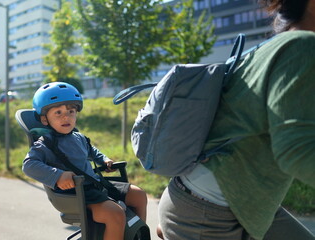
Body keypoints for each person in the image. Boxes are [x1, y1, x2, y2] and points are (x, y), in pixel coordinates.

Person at [158, 0, 315, 239]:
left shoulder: (272, 47)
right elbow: (296, 150)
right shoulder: (302, 46)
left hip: (239, 203)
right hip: (207, 213)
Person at [22, 82, 147, 240]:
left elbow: (91, 150)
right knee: (115, 214)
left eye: (71, 111)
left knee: (139, 195)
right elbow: (29, 165)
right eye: (58, 113)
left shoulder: (78, 136)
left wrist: (103, 160)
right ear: (45, 120)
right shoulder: (46, 144)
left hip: (96, 185)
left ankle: (137, 235)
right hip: (77, 194)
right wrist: (58, 176)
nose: (66, 116)